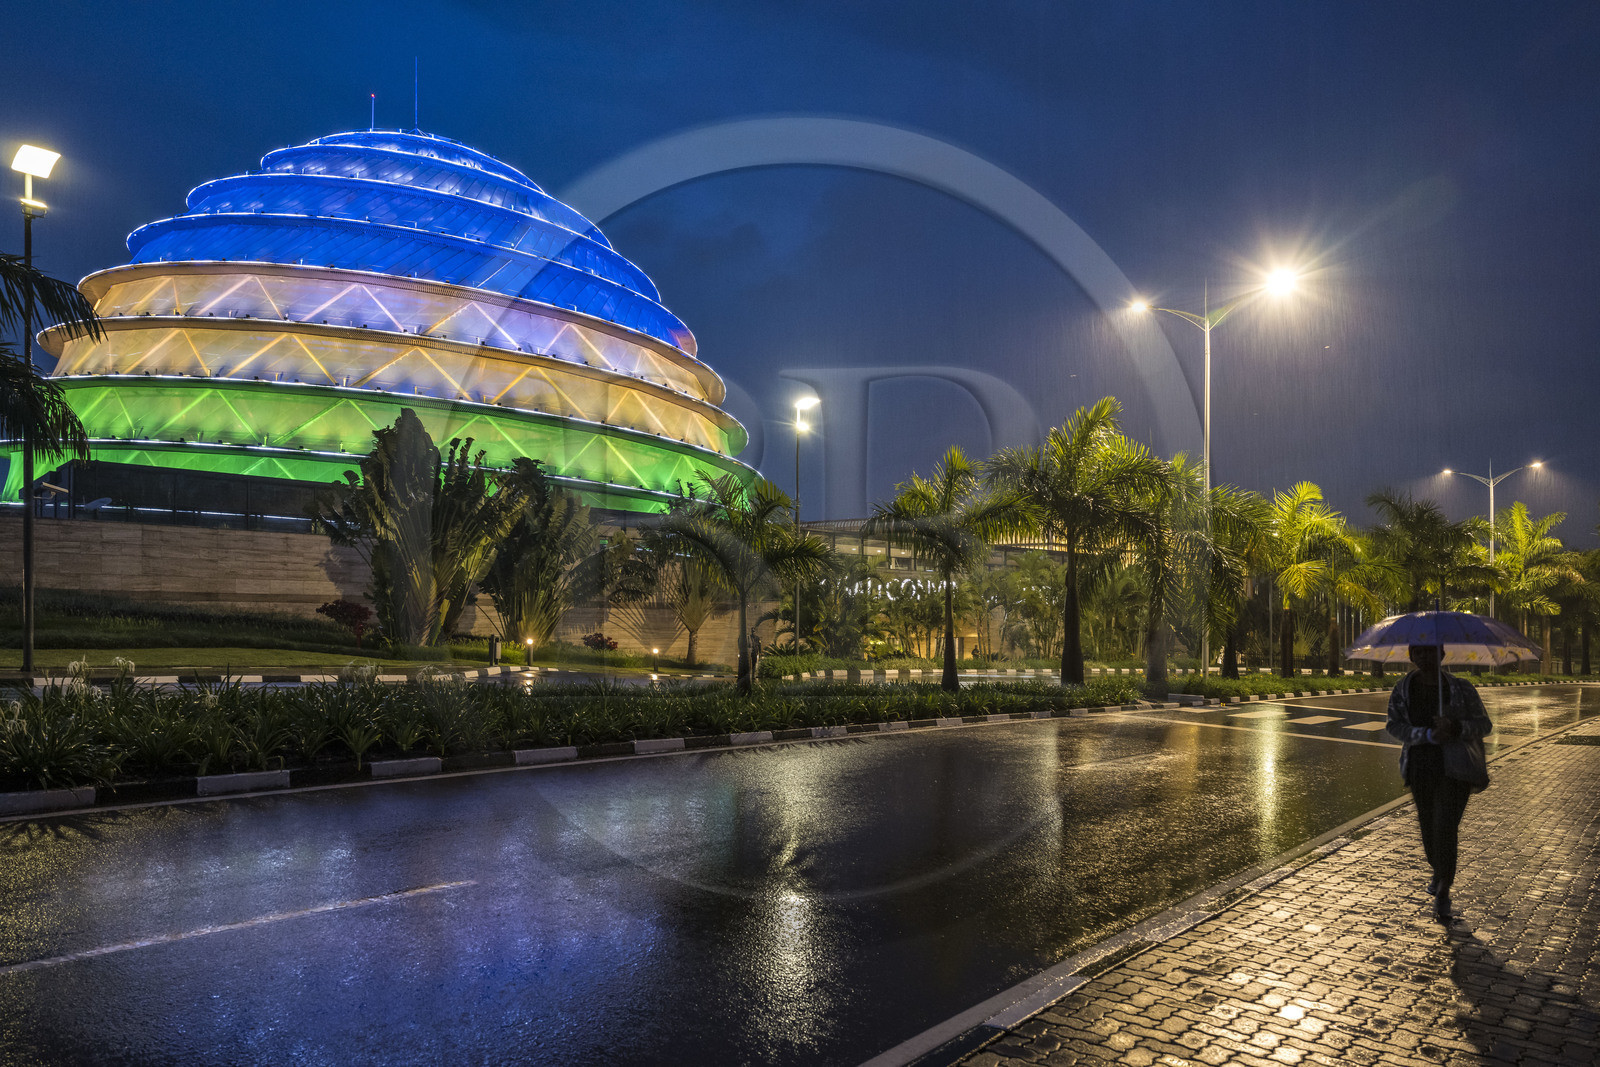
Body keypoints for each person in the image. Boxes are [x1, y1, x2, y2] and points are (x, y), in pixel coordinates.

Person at [1385, 643, 1493, 922]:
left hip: (1455, 769)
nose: (1424, 657)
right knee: (1429, 830)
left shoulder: (1461, 688)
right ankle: (1439, 870)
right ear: (1411, 655)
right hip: (1420, 768)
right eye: (1418, 652)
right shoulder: (1403, 689)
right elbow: (1394, 725)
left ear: (1442, 654)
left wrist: (1456, 728)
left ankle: (1444, 887)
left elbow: (1484, 724)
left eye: (1430, 651)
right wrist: (1427, 735)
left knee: (1445, 826)